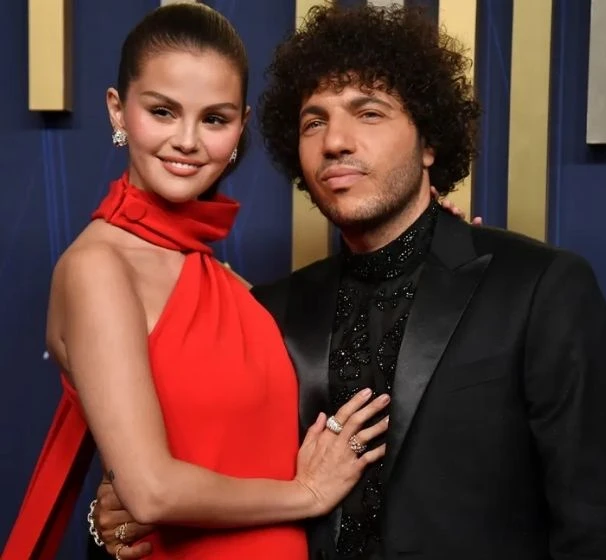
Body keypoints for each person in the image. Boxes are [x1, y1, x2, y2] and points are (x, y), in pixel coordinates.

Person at [92, 3, 606, 559]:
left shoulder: (538, 288)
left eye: (369, 113)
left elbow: (601, 529)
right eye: (314, 122)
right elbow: (179, 489)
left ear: (429, 142)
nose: (336, 141)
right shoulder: (267, 311)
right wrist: (115, 523)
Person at [1, 4, 394, 560]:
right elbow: (151, 491)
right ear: (117, 110)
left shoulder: (225, 282)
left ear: (240, 127)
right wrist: (305, 493)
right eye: (162, 111)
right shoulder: (98, 267)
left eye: (214, 119)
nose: (187, 140)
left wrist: (428, 243)